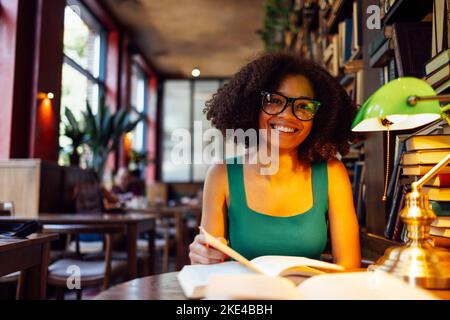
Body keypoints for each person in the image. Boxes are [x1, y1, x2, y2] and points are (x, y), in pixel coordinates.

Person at [189, 52, 361, 269]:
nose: (288, 115)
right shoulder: (221, 174)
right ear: (254, 106)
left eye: (304, 106)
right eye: (274, 101)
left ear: (319, 117)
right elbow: (208, 265)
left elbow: (348, 265)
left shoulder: (332, 172)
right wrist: (202, 257)